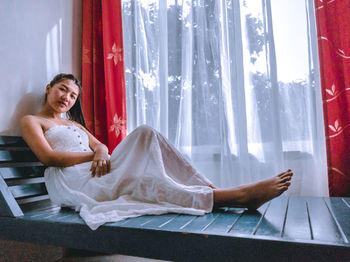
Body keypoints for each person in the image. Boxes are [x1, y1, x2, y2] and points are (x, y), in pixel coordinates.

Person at [20, 73, 293, 230]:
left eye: (72, 96)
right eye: (62, 90)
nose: (66, 97)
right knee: (146, 158)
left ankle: (216, 190)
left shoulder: (73, 123)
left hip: (95, 170)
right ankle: (241, 195)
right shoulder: (33, 121)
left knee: (147, 136)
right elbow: (48, 158)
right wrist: (94, 155)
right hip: (73, 181)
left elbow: (100, 145)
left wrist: (101, 151)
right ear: (49, 89)